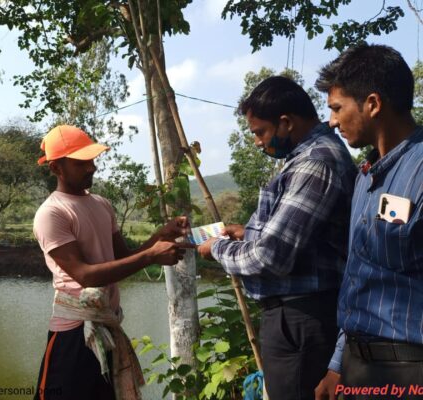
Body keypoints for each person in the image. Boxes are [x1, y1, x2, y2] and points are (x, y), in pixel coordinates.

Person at [196, 76, 357, 400]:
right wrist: (249, 232)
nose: (257, 142)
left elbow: (270, 256)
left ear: (286, 123)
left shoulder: (315, 162)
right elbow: (301, 236)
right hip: (297, 317)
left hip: (300, 320)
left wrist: (217, 247)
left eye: (260, 132)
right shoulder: (304, 158)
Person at [32, 125, 193, 400]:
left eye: (92, 160)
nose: (92, 167)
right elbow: (85, 275)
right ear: (56, 168)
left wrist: (159, 237)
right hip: (73, 334)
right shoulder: (52, 213)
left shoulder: (101, 204)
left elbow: (120, 258)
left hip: (107, 328)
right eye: (81, 162)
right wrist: (151, 255)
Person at [314, 44, 423, 400]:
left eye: (336, 108)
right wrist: (336, 364)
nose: (331, 121)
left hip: (410, 373)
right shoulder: (365, 179)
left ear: (373, 104)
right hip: (358, 368)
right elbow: (360, 276)